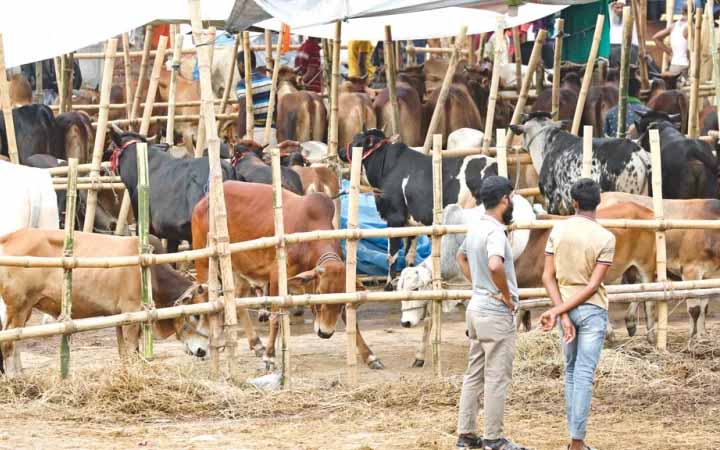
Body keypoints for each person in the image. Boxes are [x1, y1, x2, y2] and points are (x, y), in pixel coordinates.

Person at [540, 179, 615, 450]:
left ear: (573, 202)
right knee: (583, 373)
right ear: (599, 202)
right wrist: (561, 312)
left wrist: (561, 313)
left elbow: (547, 277)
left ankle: (574, 439)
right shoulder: (606, 237)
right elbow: (593, 286)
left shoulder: (557, 231)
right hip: (593, 310)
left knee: (571, 371)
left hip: (565, 308)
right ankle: (577, 442)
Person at [455, 176, 529, 450]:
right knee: (497, 377)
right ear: (504, 200)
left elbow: (460, 257)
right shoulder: (496, 232)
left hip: (476, 308)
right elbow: (496, 265)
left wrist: (478, 283)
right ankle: (494, 439)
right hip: (495, 312)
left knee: (474, 373)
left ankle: (466, 435)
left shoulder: (476, 228)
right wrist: (506, 296)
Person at [236, 50, 273, 131]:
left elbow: (243, 111)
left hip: (255, 131)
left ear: (241, 65)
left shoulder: (242, 84)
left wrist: (240, 137)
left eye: (238, 65)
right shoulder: (270, 81)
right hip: (272, 130)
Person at [653, 5, 689, 75]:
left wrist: (669, 52)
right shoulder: (691, 27)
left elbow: (655, 38)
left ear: (682, 11)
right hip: (685, 65)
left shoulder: (673, 26)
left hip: (674, 64)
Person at [608, 0, 639, 67]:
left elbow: (635, 43)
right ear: (612, 8)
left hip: (629, 49)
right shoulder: (608, 19)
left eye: (622, 8)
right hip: (611, 49)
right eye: (617, 7)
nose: (620, 10)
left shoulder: (631, 19)